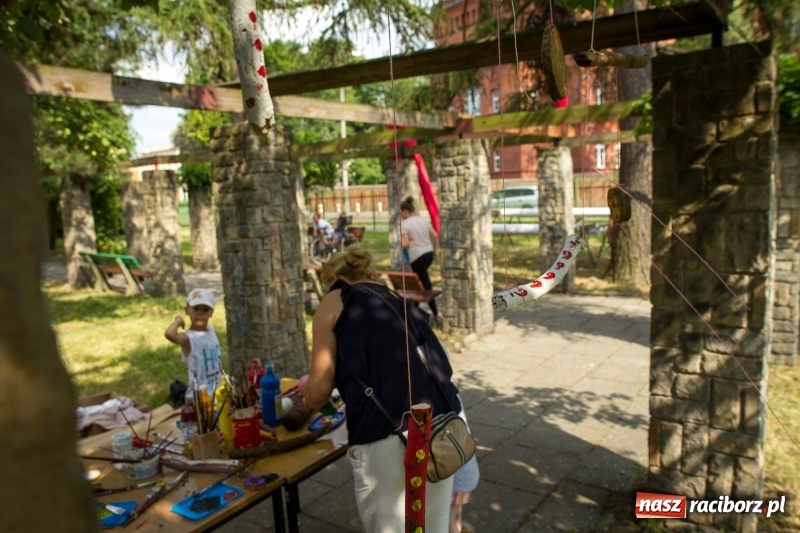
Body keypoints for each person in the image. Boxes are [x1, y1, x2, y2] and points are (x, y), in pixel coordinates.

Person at [304, 247, 462, 532]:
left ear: (336, 278)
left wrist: (304, 399)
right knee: (432, 526)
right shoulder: (396, 299)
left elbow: (317, 392)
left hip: (390, 437)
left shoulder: (336, 298)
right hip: (442, 427)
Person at [164, 288, 223, 401]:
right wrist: (178, 321)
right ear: (187, 310)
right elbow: (170, 334)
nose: (200, 314)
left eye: (205, 310)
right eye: (196, 309)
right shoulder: (188, 338)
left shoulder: (211, 330)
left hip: (217, 391)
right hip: (200, 397)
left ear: (211, 313)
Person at [399, 196, 442, 325]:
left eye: (401, 213)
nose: (400, 215)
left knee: (425, 285)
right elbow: (435, 235)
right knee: (419, 283)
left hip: (417, 256)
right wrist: (435, 250)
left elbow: (405, 244)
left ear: (405, 211)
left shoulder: (405, 224)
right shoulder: (422, 220)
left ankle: (435, 315)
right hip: (428, 254)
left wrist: (401, 242)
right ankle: (415, 313)